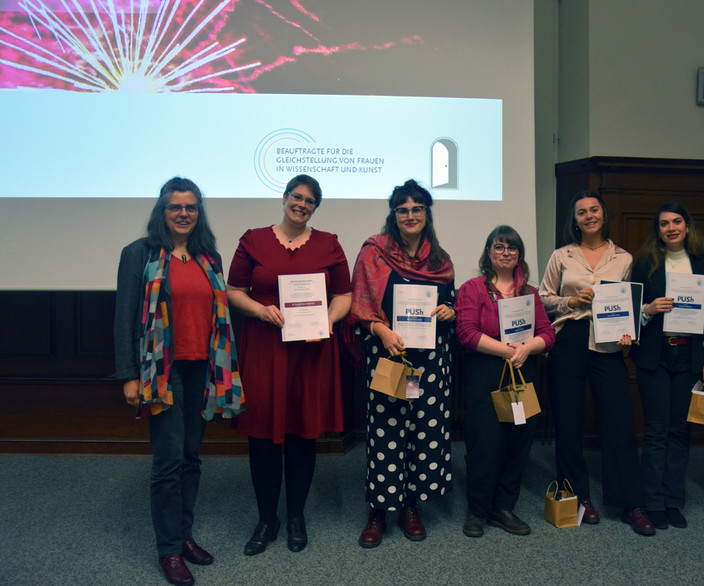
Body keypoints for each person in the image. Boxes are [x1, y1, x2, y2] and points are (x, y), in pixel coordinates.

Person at [113, 177, 244, 586]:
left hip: (203, 369)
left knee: (190, 457)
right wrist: (129, 375)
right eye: (175, 207)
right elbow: (123, 318)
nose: (184, 214)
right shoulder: (139, 254)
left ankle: (184, 535)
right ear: (162, 211)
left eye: (190, 207)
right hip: (161, 372)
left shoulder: (210, 257)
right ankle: (168, 550)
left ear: (198, 211)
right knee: (168, 460)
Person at [226, 175, 352, 555]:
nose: (301, 204)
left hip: (310, 355)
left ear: (315, 207)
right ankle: (267, 519)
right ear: (284, 199)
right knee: (262, 438)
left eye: (310, 200)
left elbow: (344, 295)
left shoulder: (329, 244)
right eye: (296, 197)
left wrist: (328, 321)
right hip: (265, 350)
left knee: (302, 434)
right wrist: (260, 311)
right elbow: (233, 291)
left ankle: (296, 515)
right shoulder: (253, 240)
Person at [539, 191, 656, 536]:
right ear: (574, 220)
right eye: (581, 212)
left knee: (618, 421)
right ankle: (577, 496)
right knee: (568, 421)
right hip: (570, 339)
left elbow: (630, 304)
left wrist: (629, 332)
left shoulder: (624, 258)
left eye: (594, 210)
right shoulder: (562, 255)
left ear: (604, 215)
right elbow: (543, 299)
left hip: (608, 341)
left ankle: (629, 502)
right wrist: (570, 300)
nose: (589, 216)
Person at [350, 179, 456, 548]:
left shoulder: (441, 261)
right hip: (390, 356)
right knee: (386, 432)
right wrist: (381, 331)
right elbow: (361, 307)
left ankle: (411, 505)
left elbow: (452, 302)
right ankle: (379, 509)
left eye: (417, 209)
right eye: (403, 209)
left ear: (427, 214)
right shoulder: (373, 252)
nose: (410, 215)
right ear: (393, 214)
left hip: (429, 363)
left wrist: (449, 310)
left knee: (422, 434)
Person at [454, 225, 556, 538]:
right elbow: (467, 334)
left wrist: (527, 348)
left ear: (519, 256)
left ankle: (503, 508)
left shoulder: (529, 293)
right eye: (499, 247)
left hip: (523, 371)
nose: (505, 253)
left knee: (518, 441)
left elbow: (548, 334)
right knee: (485, 443)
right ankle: (478, 510)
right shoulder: (472, 289)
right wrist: (508, 350)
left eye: (511, 248)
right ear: (488, 252)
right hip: (486, 372)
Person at [629, 203, 704, 530]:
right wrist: (649, 308)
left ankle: (673, 501)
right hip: (655, 355)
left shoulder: (703, 264)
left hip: (690, 357)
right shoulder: (646, 265)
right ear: (658, 230)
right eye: (664, 223)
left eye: (676, 222)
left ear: (687, 226)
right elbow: (631, 313)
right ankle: (653, 502)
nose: (671, 228)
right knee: (656, 431)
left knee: (681, 430)